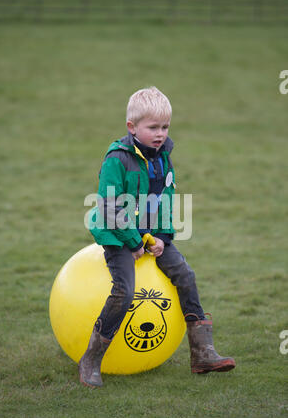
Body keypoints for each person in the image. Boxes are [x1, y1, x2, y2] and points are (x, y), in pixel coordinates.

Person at [79, 86, 235, 387]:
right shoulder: (117, 159)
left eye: (165, 127)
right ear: (132, 127)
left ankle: (202, 353)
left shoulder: (163, 157)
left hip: (151, 235)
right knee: (125, 290)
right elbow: (110, 206)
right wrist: (134, 242)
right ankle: (91, 360)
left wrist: (162, 236)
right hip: (117, 235)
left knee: (186, 276)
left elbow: (166, 200)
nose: (160, 133)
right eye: (153, 127)